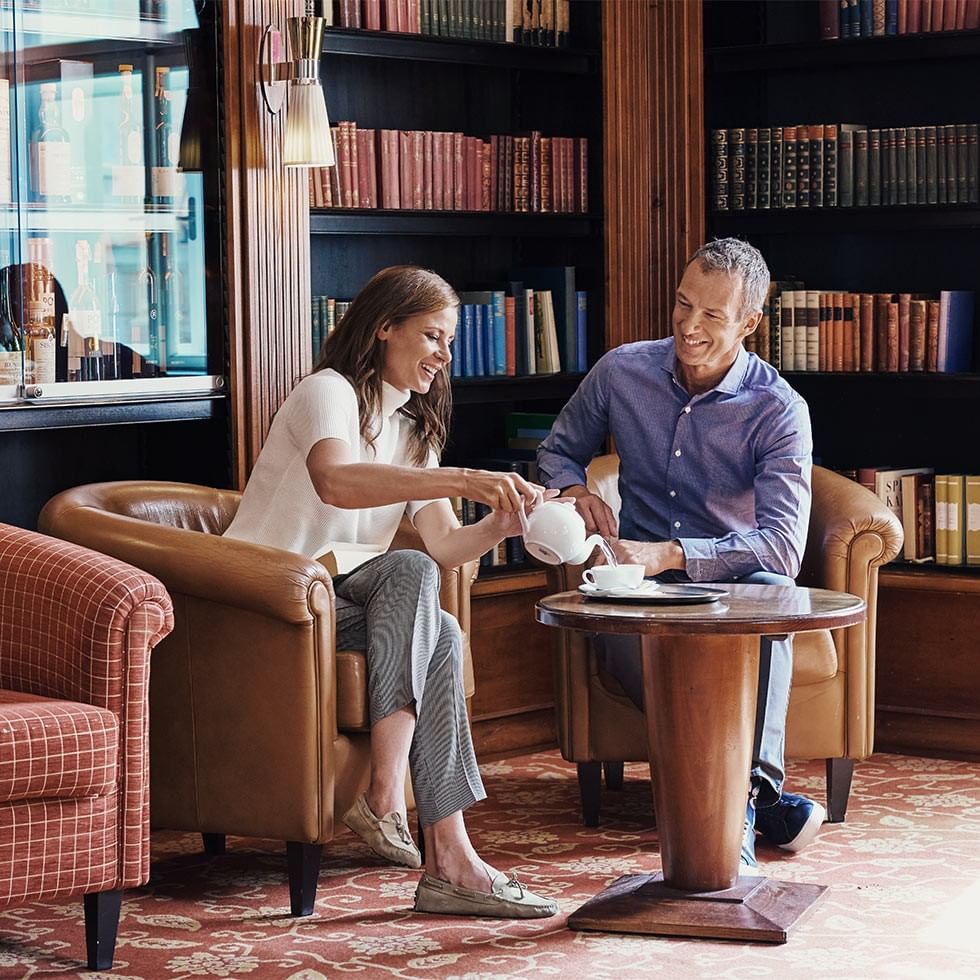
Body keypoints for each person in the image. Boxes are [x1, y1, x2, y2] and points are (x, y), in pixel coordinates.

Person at [224, 265, 557, 918]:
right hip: (265, 599)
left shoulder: (411, 429)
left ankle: (449, 854)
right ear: (384, 328)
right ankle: (389, 799)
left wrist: (498, 522)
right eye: (433, 335)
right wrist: (463, 480)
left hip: (335, 601)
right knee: (427, 604)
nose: (444, 355)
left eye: (450, 341)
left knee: (428, 598)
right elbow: (336, 482)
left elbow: (445, 547)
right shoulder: (328, 392)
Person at [536, 237, 822, 873]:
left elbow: (781, 543)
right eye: (683, 304)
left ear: (749, 323)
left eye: (713, 316)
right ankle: (765, 801)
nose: (689, 327)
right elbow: (556, 451)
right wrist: (577, 490)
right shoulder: (621, 371)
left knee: (770, 604)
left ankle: (745, 801)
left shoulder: (779, 410)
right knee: (633, 638)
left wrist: (669, 553)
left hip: (734, 578)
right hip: (634, 585)